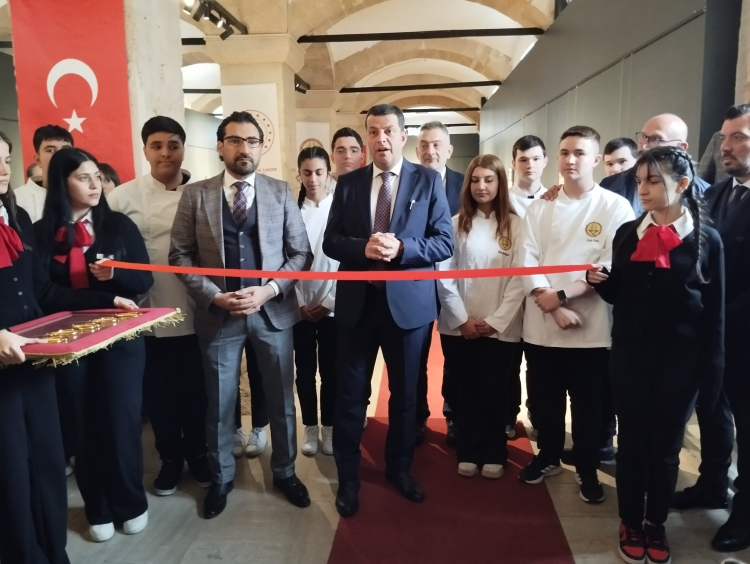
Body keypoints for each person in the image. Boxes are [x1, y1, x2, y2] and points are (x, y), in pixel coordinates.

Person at [0, 130, 137, 564]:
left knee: (47, 462)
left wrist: (107, 299)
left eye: (6, 159)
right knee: (11, 471)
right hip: (4, 362)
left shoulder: (16, 217)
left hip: (35, 360)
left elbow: (43, 293)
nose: (2, 170)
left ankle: (52, 550)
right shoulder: (42, 226)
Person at [169, 110, 313, 519]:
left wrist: (268, 290)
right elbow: (179, 255)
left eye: (252, 141)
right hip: (219, 317)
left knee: (281, 400)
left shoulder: (280, 192)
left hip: (273, 313)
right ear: (220, 146)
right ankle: (221, 478)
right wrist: (215, 296)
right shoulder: (196, 195)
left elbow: (301, 254)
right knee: (219, 403)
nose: (244, 148)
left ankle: (285, 472)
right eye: (235, 140)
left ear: (261, 147)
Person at [587, 146, 724, 564]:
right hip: (630, 356)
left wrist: (713, 374)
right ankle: (630, 520)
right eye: (639, 181)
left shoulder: (706, 239)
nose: (642, 189)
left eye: (652, 180)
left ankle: (655, 523)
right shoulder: (628, 233)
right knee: (630, 445)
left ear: (681, 184)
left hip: (680, 363)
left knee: (665, 449)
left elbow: (714, 313)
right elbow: (621, 295)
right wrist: (601, 282)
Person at [323, 103, 454, 518]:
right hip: (357, 308)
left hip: (408, 309)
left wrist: (402, 249)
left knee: (405, 396)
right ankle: (348, 478)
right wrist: (361, 248)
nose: (380, 139)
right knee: (349, 396)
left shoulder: (428, 180)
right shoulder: (349, 184)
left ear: (402, 136)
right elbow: (331, 241)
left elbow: (444, 242)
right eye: (373, 132)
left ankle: (399, 468)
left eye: (388, 131)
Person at [34, 147, 154, 543]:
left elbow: (144, 282)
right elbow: (44, 294)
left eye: (97, 177)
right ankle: (97, 507)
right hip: (66, 342)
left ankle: (130, 503)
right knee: (81, 424)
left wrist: (115, 275)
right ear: (61, 183)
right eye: (83, 178)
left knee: (121, 421)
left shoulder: (118, 225)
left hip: (120, 340)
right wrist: (105, 298)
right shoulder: (41, 232)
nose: (95, 185)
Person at [518, 125, 634, 504]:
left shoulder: (615, 207)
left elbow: (609, 265)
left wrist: (563, 296)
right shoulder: (540, 206)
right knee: (545, 401)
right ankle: (548, 455)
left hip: (592, 325)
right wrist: (550, 303)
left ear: (596, 159)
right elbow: (527, 259)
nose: (571, 160)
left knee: (589, 407)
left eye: (580, 153)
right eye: (565, 152)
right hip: (543, 324)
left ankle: (586, 467)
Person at [108, 116, 212, 497]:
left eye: (173, 145)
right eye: (157, 146)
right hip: (147, 313)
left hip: (195, 307)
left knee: (196, 391)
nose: (165, 153)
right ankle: (169, 459)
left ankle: (198, 454)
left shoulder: (204, 192)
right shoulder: (123, 197)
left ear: (184, 149)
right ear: (145, 151)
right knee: (159, 393)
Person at [673, 104, 750, 553]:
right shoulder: (717, 194)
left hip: (743, 333)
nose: (726, 146)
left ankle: (746, 513)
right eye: (724, 137)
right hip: (712, 334)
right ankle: (712, 485)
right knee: (713, 412)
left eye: (739, 137)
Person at [436, 154, 524, 479]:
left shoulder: (516, 225)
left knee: (495, 391)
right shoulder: (455, 223)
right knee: (466, 391)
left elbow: (520, 278)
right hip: (460, 326)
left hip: (501, 327)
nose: (481, 186)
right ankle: (469, 450)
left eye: (488, 179)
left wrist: (496, 321)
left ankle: (495, 451)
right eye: (475, 180)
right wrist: (462, 319)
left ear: (501, 183)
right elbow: (444, 276)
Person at [414, 120, 465, 447]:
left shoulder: (465, 185)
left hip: (457, 286)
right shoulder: (408, 182)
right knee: (415, 358)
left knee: (455, 358)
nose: (430, 151)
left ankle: (454, 415)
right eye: (424, 145)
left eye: (436, 145)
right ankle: (417, 416)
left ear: (449, 150)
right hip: (417, 285)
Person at [294, 146, 339, 457]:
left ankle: (330, 427)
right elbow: (283, 259)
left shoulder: (339, 210)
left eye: (319, 172)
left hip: (332, 307)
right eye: (307, 173)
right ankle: (310, 426)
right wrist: (297, 302)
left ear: (328, 174)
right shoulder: (292, 211)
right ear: (299, 174)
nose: (313, 179)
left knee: (331, 371)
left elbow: (347, 263)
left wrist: (330, 302)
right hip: (299, 308)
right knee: (305, 371)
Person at [508, 134, 548, 439]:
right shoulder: (502, 199)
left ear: (545, 161)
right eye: (523, 159)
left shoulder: (555, 199)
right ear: (514, 163)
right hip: (508, 291)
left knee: (538, 363)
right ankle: (508, 414)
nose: (529, 165)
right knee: (508, 361)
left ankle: (537, 415)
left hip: (540, 293)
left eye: (535, 159)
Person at [599, 114, 709, 214]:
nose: (644, 146)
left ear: (681, 147)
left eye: (656, 139)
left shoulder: (706, 193)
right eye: (643, 136)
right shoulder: (609, 185)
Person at [13, 125, 73, 222]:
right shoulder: (15, 199)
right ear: (38, 159)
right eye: (51, 150)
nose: (60, 155)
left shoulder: (87, 196)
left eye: (65, 149)